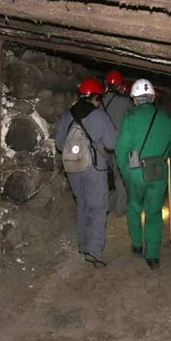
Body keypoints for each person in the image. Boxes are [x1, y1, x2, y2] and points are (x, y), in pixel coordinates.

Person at [116, 79, 171, 270]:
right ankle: (153, 255)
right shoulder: (166, 119)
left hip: (135, 172)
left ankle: (137, 245)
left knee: (134, 207)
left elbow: (121, 149)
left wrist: (126, 172)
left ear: (135, 100)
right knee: (154, 212)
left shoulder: (129, 118)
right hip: (158, 171)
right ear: (153, 98)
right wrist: (165, 156)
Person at [56, 77, 117, 268]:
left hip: (72, 168)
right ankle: (94, 250)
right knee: (98, 207)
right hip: (94, 167)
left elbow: (59, 144)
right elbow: (111, 144)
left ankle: (82, 245)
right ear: (95, 97)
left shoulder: (67, 115)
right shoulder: (100, 116)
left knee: (82, 204)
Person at [100, 69, 134, 217]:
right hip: (120, 145)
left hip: (101, 146)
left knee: (102, 179)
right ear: (119, 85)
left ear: (106, 83)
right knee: (120, 177)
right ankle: (121, 208)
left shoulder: (98, 101)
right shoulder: (125, 102)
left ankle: (103, 207)